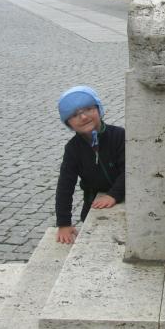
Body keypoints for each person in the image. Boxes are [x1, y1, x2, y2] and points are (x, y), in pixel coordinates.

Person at [55, 86, 125, 244]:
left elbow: (129, 170)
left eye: (88, 109)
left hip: (126, 195)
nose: (83, 117)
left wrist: (113, 194)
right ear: (68, 123)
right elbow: (65, 185)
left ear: (99, 109)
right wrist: (64, 223)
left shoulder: (119, 136)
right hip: (93, 202)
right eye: (74, 115)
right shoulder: (73, 148)